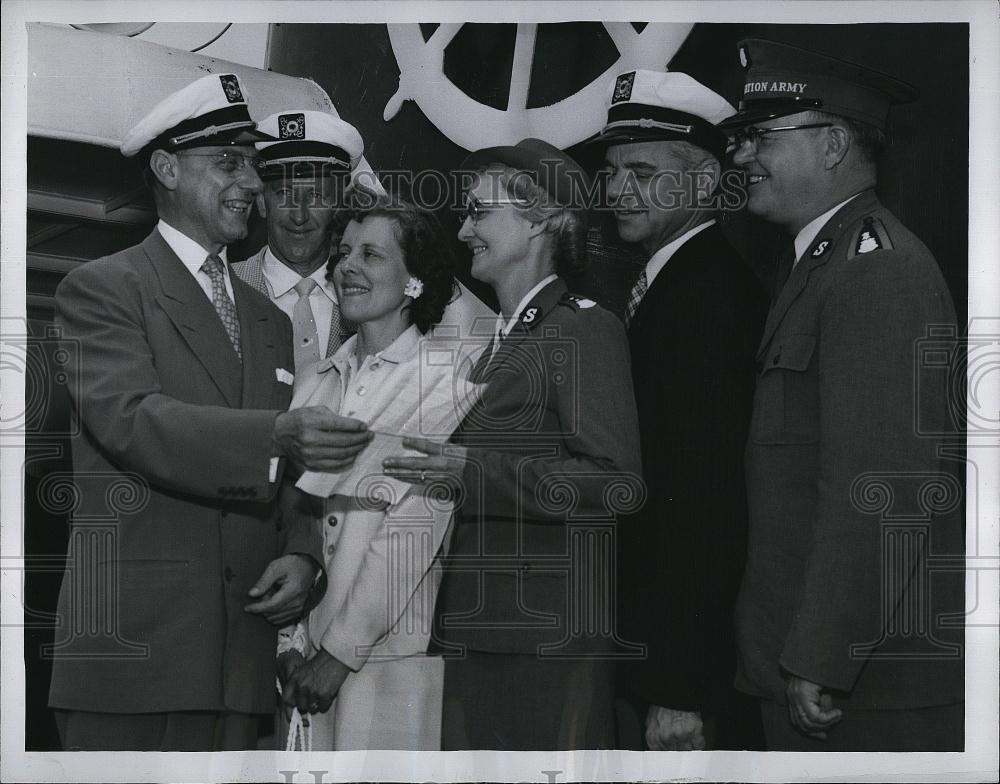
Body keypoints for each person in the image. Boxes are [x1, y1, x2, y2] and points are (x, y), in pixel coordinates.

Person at [47, 73, 373, 751]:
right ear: (166, 170)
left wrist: (302, 553)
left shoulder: (265, 318)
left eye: (251, 164)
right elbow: (134, 421)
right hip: (135, 654)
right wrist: (279, 433)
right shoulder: (103, 288)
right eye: (228, 162)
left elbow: (286, 476)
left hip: (240, 666)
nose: (252, 182)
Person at [719, 39, 964, 751]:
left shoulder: (875, 271)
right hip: (812, 669)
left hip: (855, 686)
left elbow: (881, 484)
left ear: (832, 145)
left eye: (762, 137)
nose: (742, 157)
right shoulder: (823, 264)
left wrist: (825, 652)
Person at [383, 139, 643, 750]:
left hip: (545, 646)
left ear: (539, 219)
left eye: (479, 212)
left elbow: (615, 482)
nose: (463, 229)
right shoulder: (495, 344)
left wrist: (472, 471)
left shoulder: (582, 328)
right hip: (476, 635)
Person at [586, 70, 767, 750]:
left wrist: (679, 686)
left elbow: (705, 504)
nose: (615, 191)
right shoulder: (671, 280)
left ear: (703, 181)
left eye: (641, 172)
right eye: (611, 172)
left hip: (675, 669)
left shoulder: (711, 297)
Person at [275, 198, 479, 750]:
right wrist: (289, 642)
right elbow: (292, 519)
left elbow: (413, 533)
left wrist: (339, 654)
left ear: (415, 280)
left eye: (371, 254)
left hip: (388, 658)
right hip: (301, 660)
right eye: (343, 253)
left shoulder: (444, 382)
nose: (348, 266)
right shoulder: (315, 380)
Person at [233, 110, 366, 368]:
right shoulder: (223, 288)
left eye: (315, 196)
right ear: (261, 202)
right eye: (284, 193)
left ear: (339, 205)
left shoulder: (370, 295)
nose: (299, 216)